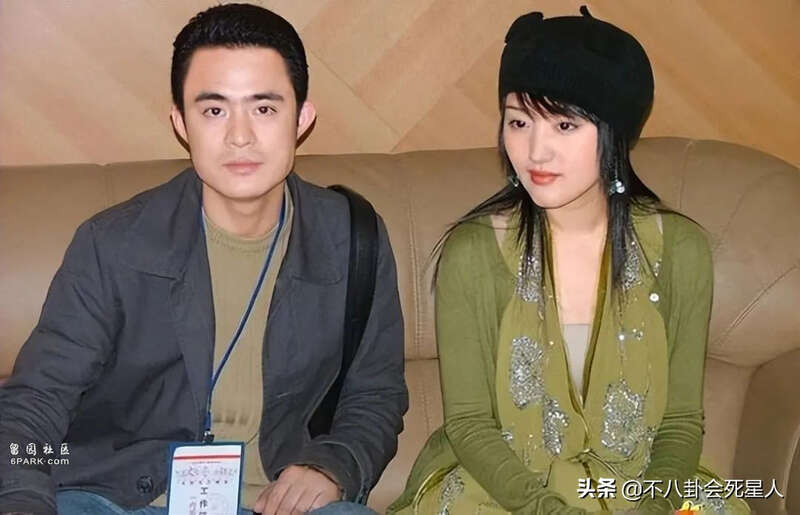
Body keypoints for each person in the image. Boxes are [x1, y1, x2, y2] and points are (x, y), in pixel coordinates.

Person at [0, 4, 407, 514]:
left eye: (264, 109)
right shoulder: (113, 245)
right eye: (214, 111)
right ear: (181, 122)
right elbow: (35, 403)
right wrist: (22, 500)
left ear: (302, 118)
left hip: (276, 502)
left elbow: (376, 393)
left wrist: (335, 464)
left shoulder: (351, 239)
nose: (240, 136)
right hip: (121, 500)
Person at [389, 7, 749, 515]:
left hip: (639, 490)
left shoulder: (681, 251)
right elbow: (469, 424)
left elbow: (680, 423)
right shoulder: (472, 252)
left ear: (614, 133)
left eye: (564, 124)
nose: (536, 151)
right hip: (504, 493)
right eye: (518, 122)